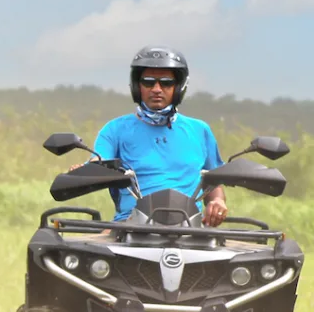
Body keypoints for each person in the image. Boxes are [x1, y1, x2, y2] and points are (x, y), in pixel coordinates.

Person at [93, 47, 225, 225]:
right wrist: (82, 171)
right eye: (148, 82)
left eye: (166, 83)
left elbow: (213, 180)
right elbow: (97, 164)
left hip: (190, 228)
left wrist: (218, 202)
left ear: (178, 87)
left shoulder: (199, 130)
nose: (156, 89)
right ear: (137, 86)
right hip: (129, 227)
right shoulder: (115, 129)